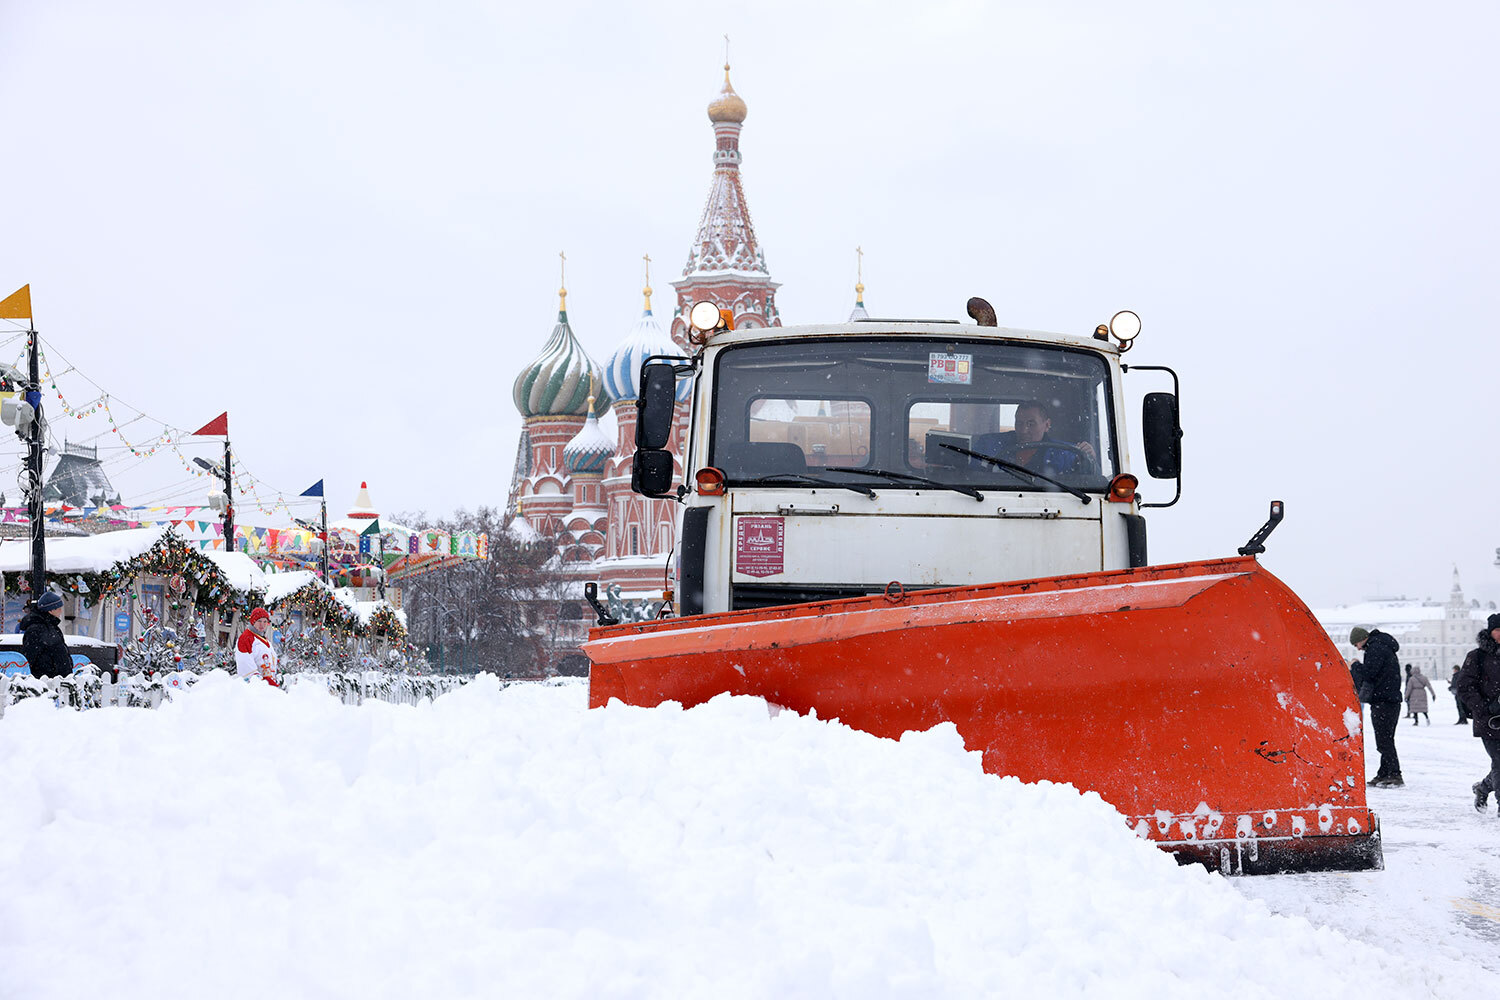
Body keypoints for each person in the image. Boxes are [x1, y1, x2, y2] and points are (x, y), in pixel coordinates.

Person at [1455, 612, 1500, 814]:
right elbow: (1464, 687)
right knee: (1499, 762)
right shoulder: (1477, 657)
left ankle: (1482, 788)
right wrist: (1484, 707)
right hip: (1490, 720)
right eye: (1498, 630)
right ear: (1490, 632)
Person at [1351, 626, 1404, 786]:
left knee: (1384, 740)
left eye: (1356, 645)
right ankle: (1384, 773)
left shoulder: (1375, 648)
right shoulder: (1382, 646)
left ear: (1361, 639)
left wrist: (1354, 665)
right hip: (1389, 699)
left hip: (1384, 700)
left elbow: (1369, 674)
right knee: (1386, 738)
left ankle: (1395, 774)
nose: (1357, 648)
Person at [982, 401, 1098, 474]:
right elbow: (974, 475)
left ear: (1047, 425)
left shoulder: (1068, 453)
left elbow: (1091, 482)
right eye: (1019, 423)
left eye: (1031, 424)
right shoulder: (990, 445)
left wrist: (1089, 459)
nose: (1023, 430)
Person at [19, 590, 73, 679]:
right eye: (59, 608)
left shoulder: (52, 626)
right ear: (51, 610)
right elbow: (29, 656)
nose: (60, 611)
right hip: (45, 680)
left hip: (57, 679)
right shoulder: (37, 629)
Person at [234, 606, 279, 687]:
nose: (262, 624)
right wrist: (261, 683)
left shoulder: (265, 640)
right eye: (259, 621)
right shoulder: (246, 638)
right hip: (256, 689)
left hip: (269, 687)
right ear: (253, 621)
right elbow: (245, 664)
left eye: (265, 621)